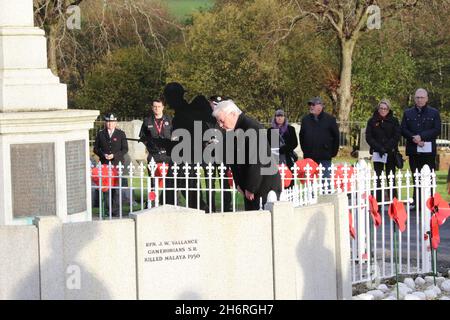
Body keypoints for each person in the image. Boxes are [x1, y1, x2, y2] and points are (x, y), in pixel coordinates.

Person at [212, 99, 281, 210]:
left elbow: (257, 160)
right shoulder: (232, 131)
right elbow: (233, 159)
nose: (220, 125)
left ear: (233, 114)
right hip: (249, 187)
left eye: (222, 120)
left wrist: (250, 187)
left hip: (263, 185)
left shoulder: (252, 127)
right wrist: (238, 183)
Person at [163, 82, 208, 211]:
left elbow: (186, 139)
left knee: (188, 194)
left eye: (168, 97)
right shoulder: (182, 112)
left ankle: (204, 213)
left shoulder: (185, 113)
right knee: (183, 192)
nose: (167, 101)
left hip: (186, 159)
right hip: (183, 158)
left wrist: (166, 144)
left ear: (174, 97)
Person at [401, 88, 441, 206]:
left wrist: (421, 136)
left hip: (428, 151)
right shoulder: (407, 113)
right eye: (417, 97)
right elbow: (403, 129)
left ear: (427, 98)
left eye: (422, 97)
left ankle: (431, 203)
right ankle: (417, 202)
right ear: (414, 98)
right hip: (414, 150)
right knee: (416, 176)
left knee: (429, 177)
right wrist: (414, 138)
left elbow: (437, 129)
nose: (419, 100)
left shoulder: (434, 113)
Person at [139, 99, 174, 205]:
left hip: (168, 154)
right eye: (155, 106)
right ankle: (152, 201)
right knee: (152, 181)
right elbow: (142, 137)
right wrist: (151, 147)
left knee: (171, 179)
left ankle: (170, 201)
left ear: (163, 107)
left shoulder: (170, 120)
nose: (157, 108)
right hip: (154, 155)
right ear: (152, 107)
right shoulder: (147, 121)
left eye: (159, 106)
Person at [93, 113, 129, 216]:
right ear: (105, 122)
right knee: (106, 187)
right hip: (105, 163)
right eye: (108, 121)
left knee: (116, 187)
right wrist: (103, 155)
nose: (110, 123)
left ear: (115, 122)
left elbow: (125, 149)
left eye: (112, 122)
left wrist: (114, 155)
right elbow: (96, 148)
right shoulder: (100, 134)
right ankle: (107, 209)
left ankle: (116, 210)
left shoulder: (121, 134)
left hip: (116, 164)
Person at [365, 100, 401, 200]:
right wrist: (379, 148)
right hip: (377, 153)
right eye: (381, 108)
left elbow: (396, 136)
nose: (383, 110)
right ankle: (379, 202)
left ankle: (394, 202)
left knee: (391, 178)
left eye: (385, 109)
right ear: (378, 108)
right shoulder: (372, 121)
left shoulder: (394, 121)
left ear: (389, 109)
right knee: (378, 178)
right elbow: (369, 137)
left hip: (390, 153)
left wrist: (387, 147)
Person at [299, 97, 339, 179]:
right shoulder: (305, 120)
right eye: (310, 105)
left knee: (325, 182)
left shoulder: (330, 119)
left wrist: (332, 152)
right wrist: (306, 150)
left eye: (313, 104)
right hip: (309, 156)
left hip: (324, 156)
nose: (311, 106)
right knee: (309, 183)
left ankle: (326, 192)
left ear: (320, 106)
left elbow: (336, 137)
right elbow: (301, 136)